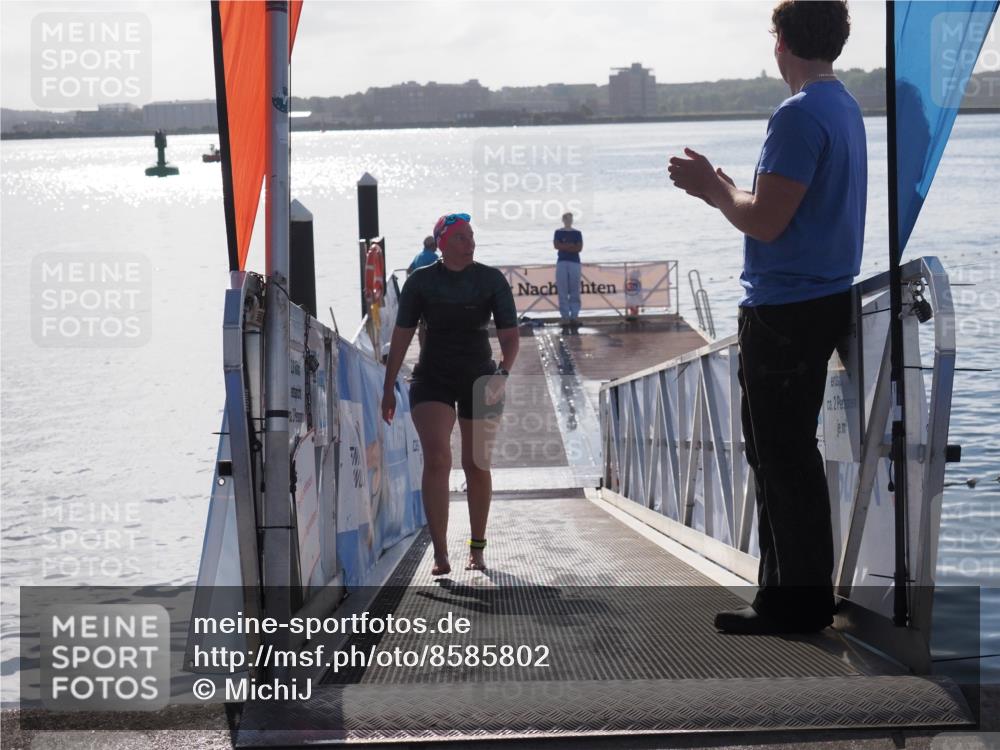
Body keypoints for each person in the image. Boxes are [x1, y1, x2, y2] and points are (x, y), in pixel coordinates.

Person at [667, 0, 865, 635]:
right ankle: (790, 594)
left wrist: (711, 189)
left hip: (786, 309)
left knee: (780, 455)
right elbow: (788, 210)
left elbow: (766, 222)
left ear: (780, 41)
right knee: (787, 454)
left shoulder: (798, 115)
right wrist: (732, 188)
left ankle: (794, 603)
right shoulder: (845, 107)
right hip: (824, 297)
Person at [381, 213, 520, 575]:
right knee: (439, 459)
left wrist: (502, 374)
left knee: (476, 463)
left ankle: (477, 548)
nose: (470, 243)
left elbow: (509, 336)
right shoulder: (421, 282)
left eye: (472, 236)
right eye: (461, 237)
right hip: (433, 378)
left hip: (479, 377)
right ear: (441, 243)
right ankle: (440, 553)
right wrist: (388, 388)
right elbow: (402, 335)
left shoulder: (490, 280)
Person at [553, 212, 583, 325]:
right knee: (562, 290)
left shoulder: (577, 233)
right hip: (562, 262)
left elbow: (579, 247)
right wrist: (570, 246)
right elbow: (557, 245)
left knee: (575, 290)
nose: (568, 221)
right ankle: (565, 316)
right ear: (563, 220)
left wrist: (565, 246)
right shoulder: (558, 232)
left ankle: (574, 316)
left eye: (570, 219)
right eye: (566, 219)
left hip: (574, 262)